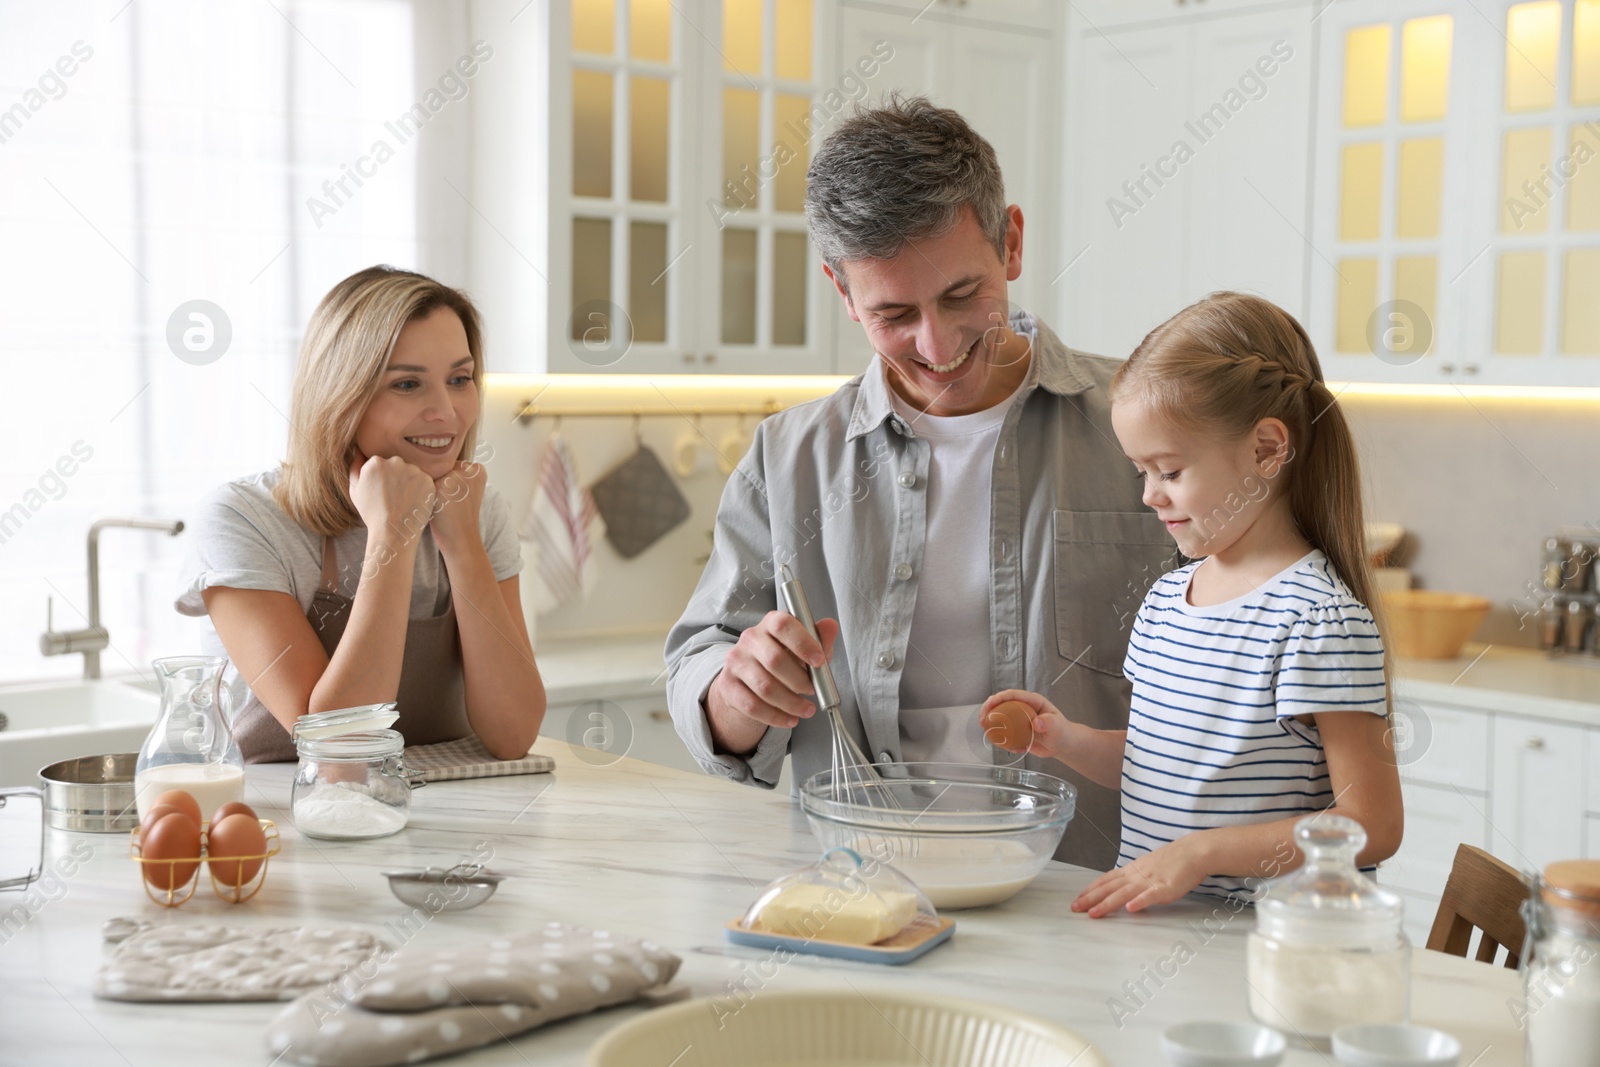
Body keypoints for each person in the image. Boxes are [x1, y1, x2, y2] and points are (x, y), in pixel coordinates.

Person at [664, 96, 1178, 871]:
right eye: (894, 312)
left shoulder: (1150, 427)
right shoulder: (788, 456)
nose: (937, 345)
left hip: (1101, 894)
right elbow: (702, 656)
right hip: (866, 889)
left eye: (961, 295)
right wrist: (735, 695)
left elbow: (1249, 656)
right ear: (842, 291)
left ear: (1010, 241)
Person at [979, 291, 1404, 914]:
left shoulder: (1318, 620)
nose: (1150, 495)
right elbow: (1160, 765)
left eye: (1170, 471)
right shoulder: (1167, 600)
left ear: (1266, 450)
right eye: (1141, 472)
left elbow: (1372, 826)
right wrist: (1067, 740)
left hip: (1262, 950)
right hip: (1154, 933)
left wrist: (1200, 853)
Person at [176, 266, 544, 762]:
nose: (447, 411)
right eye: (408, 385)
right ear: (341, 394)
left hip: (448, 813)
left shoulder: (477, 511)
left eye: (460, 379)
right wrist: (393, 535)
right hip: (287, 818)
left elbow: (513, 733)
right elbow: (335, 746)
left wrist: (462, 545)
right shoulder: (242, 520)